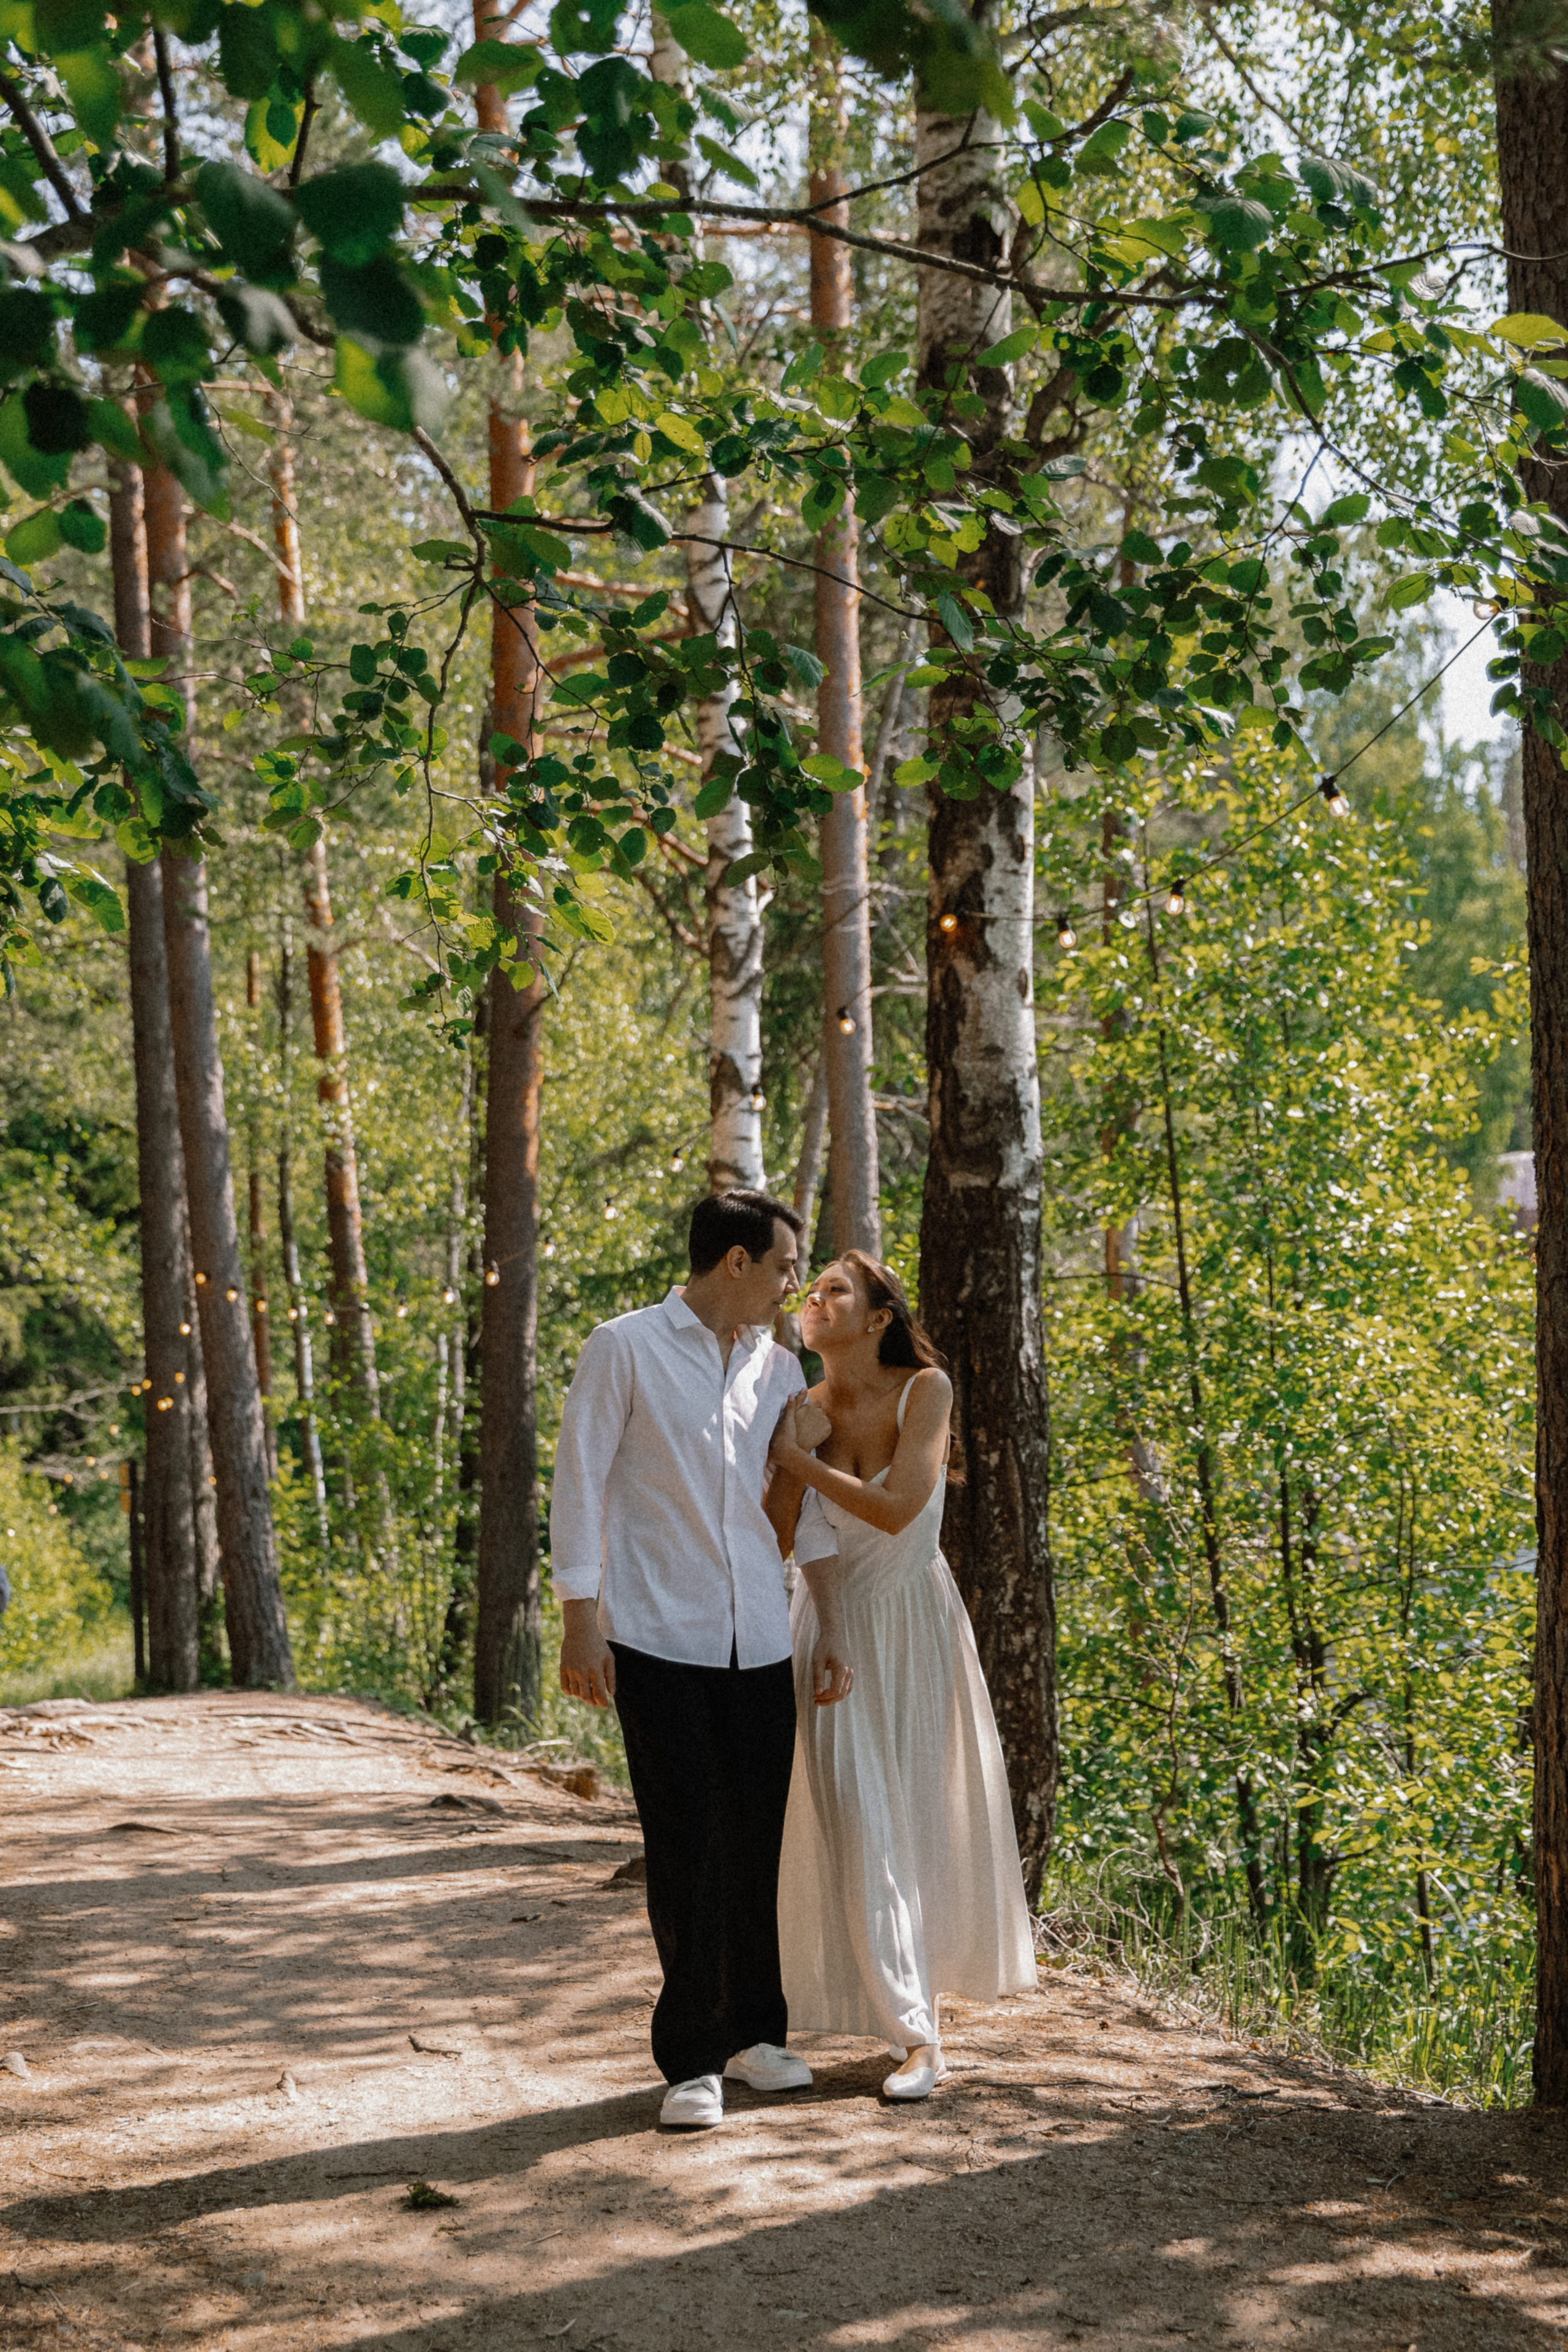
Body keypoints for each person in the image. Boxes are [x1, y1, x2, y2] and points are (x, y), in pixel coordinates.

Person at [551, 1188, 848, 2132]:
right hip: (656, 1634)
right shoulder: (624, 1347)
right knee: (690, 1842)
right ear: (736, 1263)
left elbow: (791, 1501)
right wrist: (577, 1616)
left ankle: (759, 2034)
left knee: (759, 1838)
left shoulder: (780, 1366)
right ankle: (691, 2058)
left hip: (760, 1634)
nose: (792, 1284)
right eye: (784, 1265)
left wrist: (826, 1609)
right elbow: (580, 1479)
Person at [766, 1251, 1035, 2100]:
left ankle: (920, 2037)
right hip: (830, 1627)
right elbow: (776, 1537)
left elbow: (898, 1507)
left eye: (835, 1290)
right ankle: (914, 2033)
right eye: (810, 1290)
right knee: (856, 1813)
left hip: (916, 1625)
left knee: (911, 1821)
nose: (815, 1298)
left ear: (879, 1317)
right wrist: (787, 1453)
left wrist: (796, 1458)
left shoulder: (928, 1392)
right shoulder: (799, 1407)